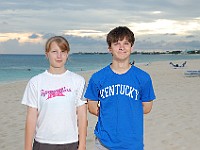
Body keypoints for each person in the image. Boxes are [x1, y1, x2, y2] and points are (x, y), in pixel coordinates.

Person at [84, 26, 156, 150]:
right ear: (110, 48)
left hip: (133, 142)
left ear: (131, 47)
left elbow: (147, 108)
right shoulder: (98, 78)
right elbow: (91, 107)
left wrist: (124, 112)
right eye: (117, 44)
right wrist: (110, 114)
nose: (122, 47)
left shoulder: (143, 78)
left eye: (126, 43)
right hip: (104, 142)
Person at [22, 36, 87, 150]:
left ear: (67, 54)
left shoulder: (78, 81)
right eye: (54, 51)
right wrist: (27, 148)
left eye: (63, 51)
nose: (59, 56)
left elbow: (82, 116)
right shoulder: (36, 82)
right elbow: (31, 117)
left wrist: (82, 145)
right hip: (43, 142)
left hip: (70, 142)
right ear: (47, 54)